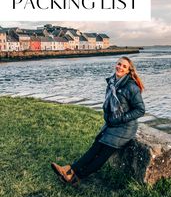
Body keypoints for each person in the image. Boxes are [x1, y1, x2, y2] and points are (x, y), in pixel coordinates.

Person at [51, 56, 145, 187]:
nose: (120, 67)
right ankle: (70, 171)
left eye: (124, 66)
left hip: (125, 127)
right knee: (95, 147)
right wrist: (109, 118)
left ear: (129, 71)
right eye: (119, 64)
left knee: (102, 155)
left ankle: (74, 175)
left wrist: (121, 118)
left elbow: (140, 110)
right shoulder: (112, 82)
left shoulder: (131, 86)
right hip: (112, 123)